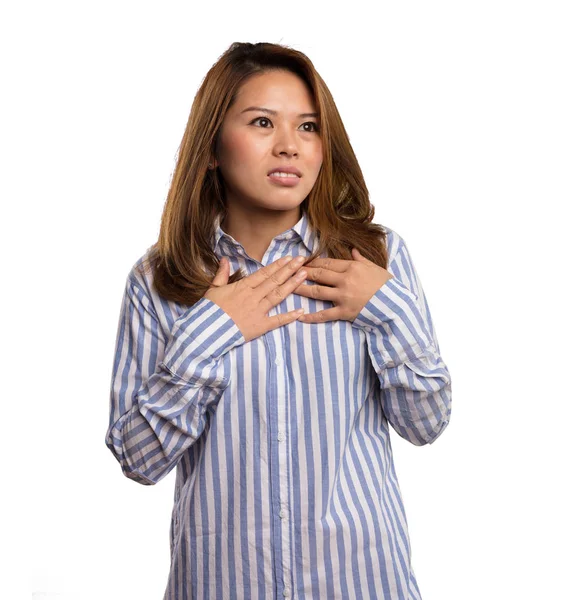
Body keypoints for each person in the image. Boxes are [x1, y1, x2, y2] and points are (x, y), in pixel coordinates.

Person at [105, 41, 452, 600]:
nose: (289, 146)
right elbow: (138, 459)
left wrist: (387, 312)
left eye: (309, 127)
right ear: (214, 145)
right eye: (263, 122)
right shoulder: (161, 279)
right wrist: (208, 335)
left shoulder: (374, 257)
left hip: (362, 582)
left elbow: (426, 423)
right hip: (222, 585)